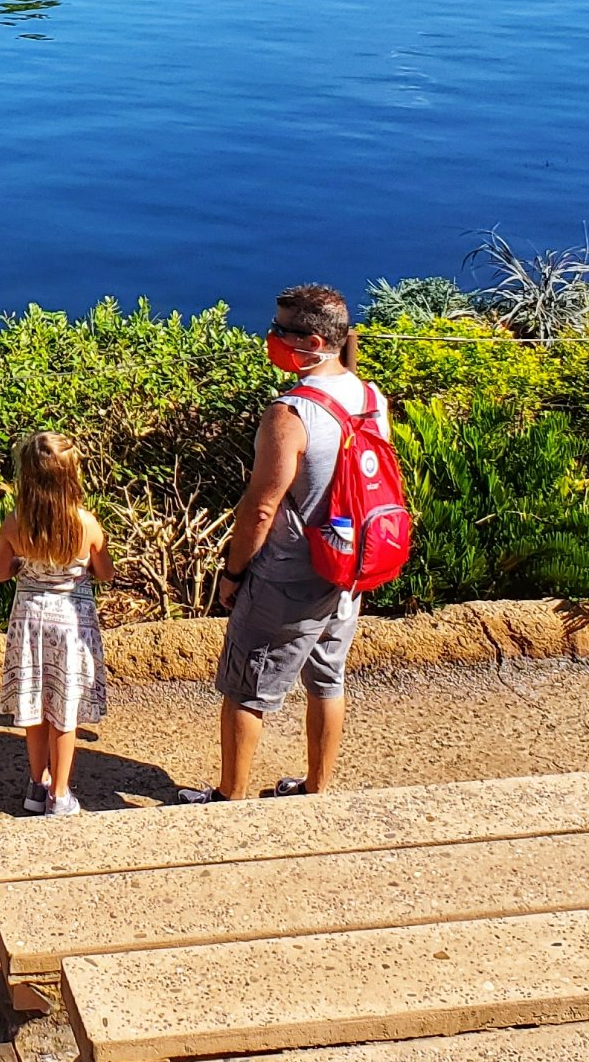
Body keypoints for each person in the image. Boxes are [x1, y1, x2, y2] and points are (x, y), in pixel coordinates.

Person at [178, 284, 391, 805]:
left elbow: (261, 506)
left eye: (281, 330)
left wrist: (233, 574)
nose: (272, 336)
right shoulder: (370, 397)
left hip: (290, 573)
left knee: (247, 687)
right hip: (347, 566)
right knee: (328, 677)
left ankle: (230, 797)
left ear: (314, 342)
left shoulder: (290, 414)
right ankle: (316, 787)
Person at [0, 432, 112, 818]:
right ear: (72, 475)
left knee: (36, 703)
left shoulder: (15, 523)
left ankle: (36, 785)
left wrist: (21, 564)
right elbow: (105, 572)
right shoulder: (86, 524)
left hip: (29, 620)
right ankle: (60, 794)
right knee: (64, 707)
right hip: (71, 622)